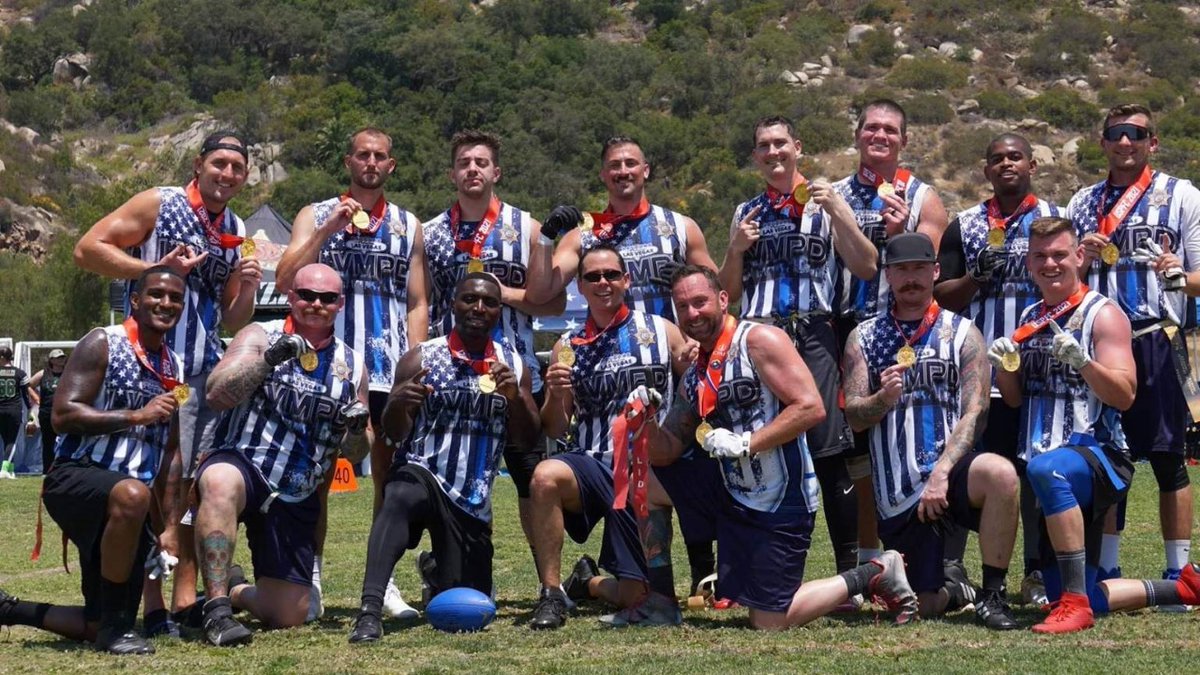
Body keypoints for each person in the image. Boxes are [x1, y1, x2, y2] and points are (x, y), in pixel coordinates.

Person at [646, 264, 918, 629]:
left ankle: (875, 571)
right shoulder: (698, 368)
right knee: (646, 482)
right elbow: (666, 450)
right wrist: (643, 419)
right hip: (731, 494)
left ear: (723, 299)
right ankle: (661, 600)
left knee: (769, 621)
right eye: (683, 306)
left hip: (780, 499)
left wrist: (748, 443)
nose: (693, 314)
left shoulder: (759, 340)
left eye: (700, 302)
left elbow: (811, 407)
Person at [73, 130, 260, 628]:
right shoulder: (163, 201)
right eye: (219, 163)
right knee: (153, 482)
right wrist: (155, 266)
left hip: (199, 373)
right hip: (147, 366)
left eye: (237, 168)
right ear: (199, 164)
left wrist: (249, 287)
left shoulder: (236, 225)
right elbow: (88, 249)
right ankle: (151, 603)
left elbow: (233, 319)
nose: (227, 174)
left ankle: (183, 599)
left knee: (191, 487)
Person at [532, 136, 722, 601]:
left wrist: (701, 347)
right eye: (613, 165)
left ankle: (705, 571)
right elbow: (545, 288)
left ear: (646, 170)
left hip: (667, 358)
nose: (622, 171)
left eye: (630, 164)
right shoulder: (585, 233)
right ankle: (598, 580)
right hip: (602, 370)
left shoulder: (679, 226)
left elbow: (713, 287)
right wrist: (544, 239)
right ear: (603, 175)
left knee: (689, 459)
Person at [991, 216, 1200, 633]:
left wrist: (1084, 362)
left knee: (1045, 468)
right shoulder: (1031, 316)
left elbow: (1124, 394)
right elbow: (1015, 399)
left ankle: (1075, 606)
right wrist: (1003, 368)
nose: (1050, 264)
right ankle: (1181, 589)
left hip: (1099, 455)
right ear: (1029, 264)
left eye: (1059, 255)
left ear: (1079, 256)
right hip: (1048, 461)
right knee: (1073, 587)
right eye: (1040, 257)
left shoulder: (1103, 314)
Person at [718, 115, 878, 586]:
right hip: (760, 335)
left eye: (780, 144)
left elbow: (867, 267)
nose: (773, 153)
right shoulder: (746, 212)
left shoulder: (829, 202)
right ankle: (757, 569)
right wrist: (736, 250)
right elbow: (728, 290)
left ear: (797, 147)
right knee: (757, 445)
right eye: (764, 146)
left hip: (813, 331)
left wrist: (840, 214)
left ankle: (848, 574)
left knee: (829, 450)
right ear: (755, 156)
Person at [276, 126, 427, 621]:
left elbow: (418, 300)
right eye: (362, 155)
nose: (370, 163)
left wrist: (416, 362)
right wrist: (326, 232)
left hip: (385, 370)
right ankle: (311, 577)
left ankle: (380, 584)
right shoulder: (314, 214)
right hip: (323, 367)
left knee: (389, 480)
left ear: (391, 166)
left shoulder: (408, 224)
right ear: (348, 162)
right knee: (317, 474)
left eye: (380, 156)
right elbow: (283, 279)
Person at [0, 267, 185, 654]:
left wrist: (168, 526)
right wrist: (136, 415)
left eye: (175, 297)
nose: (165, 303)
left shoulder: (173, 365)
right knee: (132, 494)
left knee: (94, 625)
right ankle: (120, 630)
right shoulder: (103, 341)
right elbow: (62, 416)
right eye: (156, 294)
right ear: (134, 300)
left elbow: (171, 451)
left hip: (129, 503)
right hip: (77, 477)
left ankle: (10, 609)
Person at [348, 274, 540, 642]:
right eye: (469, 299)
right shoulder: (422, 356)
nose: (478, 309)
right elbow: (392, 432)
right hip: (424, 471)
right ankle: (370, 610)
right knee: (400, 495)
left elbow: (527, 439)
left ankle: (436, 569)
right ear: (453, 304)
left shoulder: (513, 364)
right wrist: (400, 404)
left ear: (500, 310)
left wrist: (517, 398)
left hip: (471, 499)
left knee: (467, 608)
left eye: (488, 302)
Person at [842, 232, 1019, 630]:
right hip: (899, 492)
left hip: (949, 469)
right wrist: (882, 399)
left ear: (935, 271)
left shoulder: (963, 332)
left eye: (920, 268)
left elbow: (976, 410)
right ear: (887, 275)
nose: (911, 278)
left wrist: (942, 472)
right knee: (921, 604)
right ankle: (960, 590)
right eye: (902, 270)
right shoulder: (864, 337)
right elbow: (854, 417)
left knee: (1001, 475)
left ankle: (993, 594)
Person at [193, 263, 368, 646]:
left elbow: (356, 453)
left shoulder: (352, 365)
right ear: (291, 297)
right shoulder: (259, 335)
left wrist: (356, 428)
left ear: (340, 304)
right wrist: (268, 360)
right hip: (246, 464)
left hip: (295, 491)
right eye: (306, 295)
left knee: (291, 614)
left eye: (326, 298)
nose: (315, 305)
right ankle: (218, 612)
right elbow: (217, 393)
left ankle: (234, 590)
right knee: (219, 481)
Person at [421, 130, 564, 586]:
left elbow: (553, 303)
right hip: (454, 376)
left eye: (481, 162)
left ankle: (549, 583)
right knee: (446, 474)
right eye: (464, 162)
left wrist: (502, 293)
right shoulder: (430, 233)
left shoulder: (527, 228)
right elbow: (420, 302)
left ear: (496, 171)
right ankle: (441, 568)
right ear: (452, 173)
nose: (473, 169)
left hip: (515, 371)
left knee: (530, 481)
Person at [1066, 103, 1200, 585]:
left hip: (1155, 338)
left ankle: (1179, 567)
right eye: (1116, 133)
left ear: (1153, 142)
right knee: (1106, 457)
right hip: (1099, 341)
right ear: (1102, 142)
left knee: (1168, 456)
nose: (1126, 142)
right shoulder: (1081, 202)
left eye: (1137, 134)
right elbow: (1064, 275)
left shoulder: (1181, 195)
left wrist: (1180, 277)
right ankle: (1106, 564)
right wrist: (1078, 259)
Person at [833, 99, 957, 596]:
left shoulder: (925, 197)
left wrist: (900, 230)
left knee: (922, 441)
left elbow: (922, 260)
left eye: (890, 130)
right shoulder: (835, 193)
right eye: (871, 128)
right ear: (857, 135)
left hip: (907, 328)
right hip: (846, 327)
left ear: (904, 140)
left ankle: (947, 563)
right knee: (856, 453)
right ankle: (865, 566)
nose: (879, 136)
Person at [527, 245, 687, 630]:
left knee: (635, 598)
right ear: (580, 286)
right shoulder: (567, 346)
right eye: (593, 277)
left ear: (626, 280)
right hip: (592, 462)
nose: (603, 283)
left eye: (612, 275)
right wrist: (558, 393)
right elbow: (553, 427)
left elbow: (694, 384)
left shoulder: (661, 331)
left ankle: (590, 581)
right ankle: (551, 594)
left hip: (644, 469)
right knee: (544, 476)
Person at [934, 133, 1063, 607]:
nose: (1006, 164)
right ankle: (953, 568)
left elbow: (1074, 284)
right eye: (996, 159)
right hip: (978, 375)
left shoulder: (1054, 218)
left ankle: (1035, 572)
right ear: (985, 169)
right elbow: (940, 296)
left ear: (1032, 164)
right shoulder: (965, 224)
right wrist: (974, 278)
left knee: (1037, 472)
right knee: (969, 471)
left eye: (1015, 157)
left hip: (1041, 371)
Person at [0, 345, 38, 479]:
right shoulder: (20, 373)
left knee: (6, 440)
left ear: (2, 357)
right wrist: (29, 409)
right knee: (11, 440)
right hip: (14, 410)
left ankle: (10, 470)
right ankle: (4, 469)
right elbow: (25, 393)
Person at [29, 349, 69, 474]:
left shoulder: (69, 373)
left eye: (62, 357)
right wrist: (36, 399)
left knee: (65, 440)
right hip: (46, 412)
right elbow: (29, 386)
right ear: (51, 360)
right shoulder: (43, 373)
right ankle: (47, 470)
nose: (61, 359)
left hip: (64, 412)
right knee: (48, 442)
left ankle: (64, 469)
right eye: (58, 358)